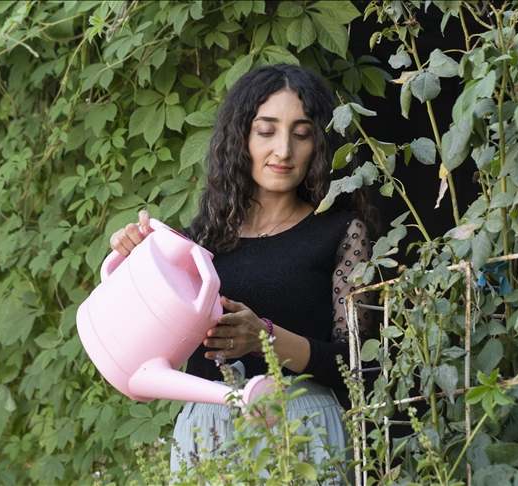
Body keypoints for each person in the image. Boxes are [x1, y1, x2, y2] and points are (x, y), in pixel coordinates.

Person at [108, 64, 378, 480]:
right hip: (206, 435)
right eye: (266, 131)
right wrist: (133, 262)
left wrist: (265, 338)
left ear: (319, 145)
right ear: (241, 138)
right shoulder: (197, 242)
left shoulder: (341, 232)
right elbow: (137, 356)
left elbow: (357, 366)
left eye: (301, 134)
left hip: (302, 433)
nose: (283, 150)